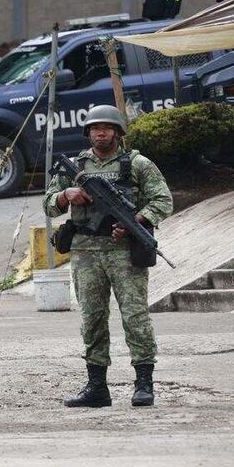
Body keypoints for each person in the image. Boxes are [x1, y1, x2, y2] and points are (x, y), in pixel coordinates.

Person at [43, 105, 173, 408]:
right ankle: (97, 387)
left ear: (118, 131)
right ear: (88, 132)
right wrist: (66, 196)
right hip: (86, 252)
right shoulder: (76, 166)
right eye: (95, 128)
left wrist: (136, 222)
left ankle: (144, 384)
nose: (101, 133)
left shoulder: (138, 164)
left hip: (124, 252)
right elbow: (49, 205)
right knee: (92, 319)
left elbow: (163, 200)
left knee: (135, 316)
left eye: (107, 127)